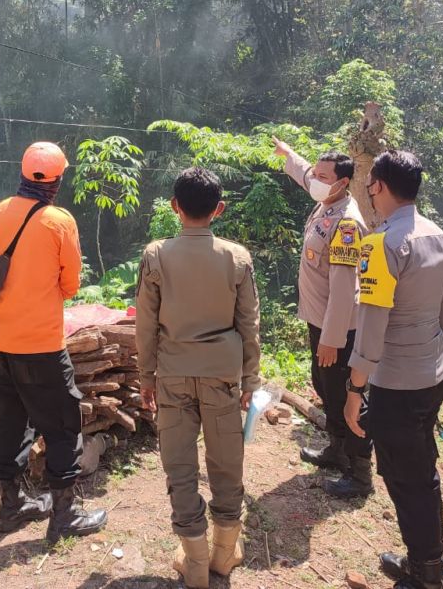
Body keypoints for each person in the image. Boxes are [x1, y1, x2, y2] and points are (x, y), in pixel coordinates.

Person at [136, 167, 262, 589]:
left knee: (180, 465)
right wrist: (251, 381)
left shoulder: (156, 255)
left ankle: (194, 560)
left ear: (175, 207)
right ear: (219, 209)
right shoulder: (237, 257)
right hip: (223, 378)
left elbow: (146, 326)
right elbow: (249, 326)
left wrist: (146, 376)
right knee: (227, 462)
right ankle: (224, 553)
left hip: (172, 375)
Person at [0, 141, 107, 543]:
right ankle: (64, 515)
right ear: (56, 180)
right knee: (62, 425)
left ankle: (10, 506)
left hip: (3, 344)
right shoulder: (58, 220)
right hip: (42, 346)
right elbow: (69, 284)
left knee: (12, 423)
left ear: (23, 173)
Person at [344, 150, 443, 589]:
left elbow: (371, 328)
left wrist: (355, 388)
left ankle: (428, 571)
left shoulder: (381, 243)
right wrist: (432, 354)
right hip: (433, 374)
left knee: (404, 475)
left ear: (381, 187)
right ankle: (426, 559)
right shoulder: (438, 236)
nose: (369, 192)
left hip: (397, 383)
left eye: (370, 184)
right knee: (421, 468)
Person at [272, 137, 374, 498]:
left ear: (342, 182)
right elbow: (305, 175)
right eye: (314, 173)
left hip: (339, 329)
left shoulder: (346, 224)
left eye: (322, 176)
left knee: (347, 394)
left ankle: (360, 475)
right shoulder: (326, 201)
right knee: (323, 386)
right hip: (319, 320)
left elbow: (346, 290)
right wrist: (289, 155)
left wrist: (332, 339)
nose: (314, 179)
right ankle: (336, 451)